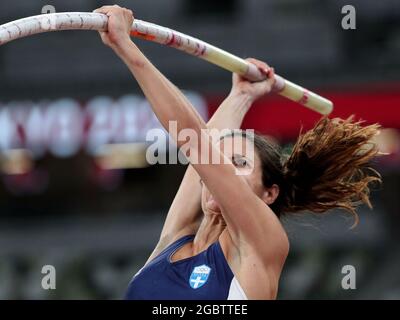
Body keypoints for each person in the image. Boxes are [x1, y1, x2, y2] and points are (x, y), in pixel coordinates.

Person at [95, 5, 382, 300]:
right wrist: (241, 96)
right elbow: (203, 147)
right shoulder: (175, 238)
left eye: (240, 163)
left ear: (269, 193)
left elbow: (196, 143)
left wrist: (126, 47)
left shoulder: (261, 243)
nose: (223, 169)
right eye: (221, 161)